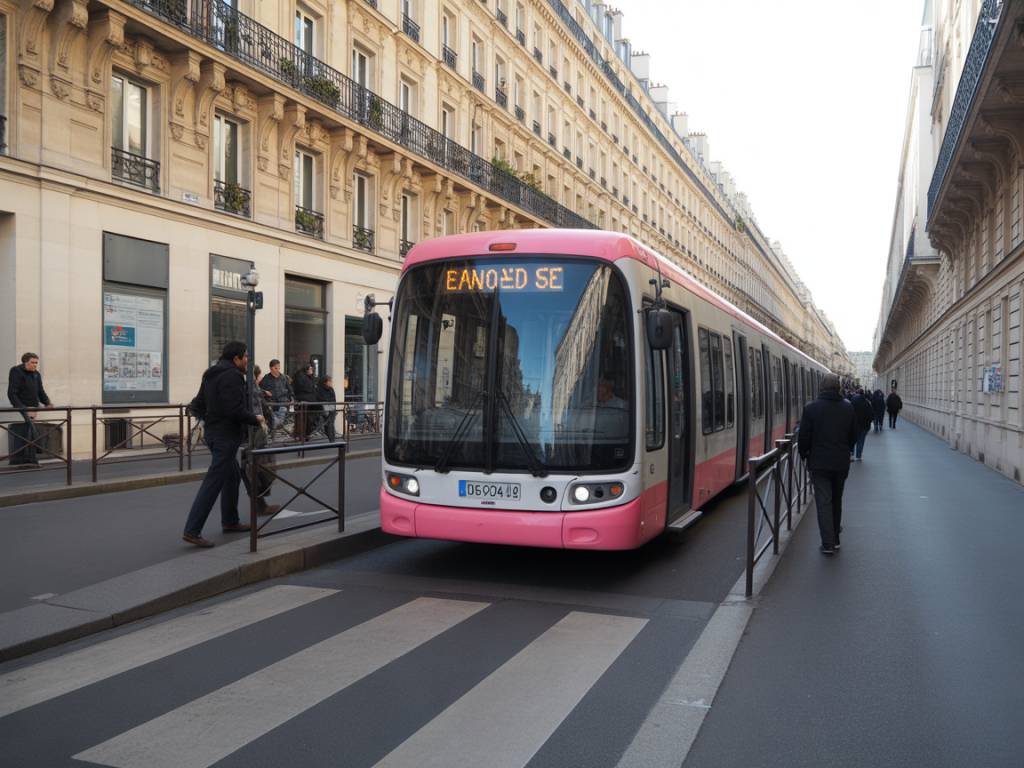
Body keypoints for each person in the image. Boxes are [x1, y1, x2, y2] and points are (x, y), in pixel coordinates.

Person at [182, 341, 263, 548]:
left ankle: (230, 521)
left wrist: (207, 420)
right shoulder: (233, 376)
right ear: (236, 358)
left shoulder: (211, 373)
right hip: (225, 435)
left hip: (213, 433)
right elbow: (233, 409)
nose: (247, 360)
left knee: (232, 475)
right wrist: (255, 419)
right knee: (214, 481)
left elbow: (198, 403)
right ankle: (192, 530)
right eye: (245, 356)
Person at [798, 372, 857, 555]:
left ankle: (828, 543)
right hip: (840, 463)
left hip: (819, 463)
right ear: (839, 388)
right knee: (837, 500)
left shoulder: (811, 408)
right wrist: (846, 449)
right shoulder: (848, 408)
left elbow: (804, 437)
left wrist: (804, 454)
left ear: (821, 387)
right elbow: (853, 436)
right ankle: (836, 539)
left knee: (824, 502)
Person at [7, 352, 51, 467]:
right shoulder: (16, 371)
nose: (35, 365)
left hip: (33, 408)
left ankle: (30, 459)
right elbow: (12, 393)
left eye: (36, 363)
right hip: (21, 407)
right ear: (25, 362)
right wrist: (22, 408)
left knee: (29, 433)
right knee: (23, 433)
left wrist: (47, 402)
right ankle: (20, 460)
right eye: (32, 362)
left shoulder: (36, 374)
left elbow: (40, 391)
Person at [259, 359, 292, 430]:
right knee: (274, 425)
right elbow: (259, 389)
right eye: (276, 368)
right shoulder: (266, 378)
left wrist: (290, 400)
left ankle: (274, 430)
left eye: (279, 368)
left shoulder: (284, 378)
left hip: (282, 404)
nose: (278, 370)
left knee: (278, 424)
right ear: (271, 368)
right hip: (271, 405)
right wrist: (265, 392)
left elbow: (290, 390)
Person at [292, 363, 318, 438]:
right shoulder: (301, 377)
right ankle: (303, 435)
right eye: (310, 369)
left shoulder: (309, 377)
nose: (312, 370)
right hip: (303, 400)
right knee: (304, 419)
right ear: (306, 369)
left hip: (309, 401)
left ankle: (305, 434)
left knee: (309, 418)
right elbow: (304, 389)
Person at [850, 388, 874, 461]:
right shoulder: (867, 403)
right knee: (861, 441)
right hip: (864, 426)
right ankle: (858, 456)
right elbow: (871, 415)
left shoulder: (852, 402)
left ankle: (851, 454)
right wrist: (869, 423)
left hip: (854, 425)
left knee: (852, 440)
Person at [317, 374, 338, 442]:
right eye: (329, 381)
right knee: (328, 424)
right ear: (325, 382)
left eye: (330, 381)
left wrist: (333, 407)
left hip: (331, 408)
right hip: (324, 408)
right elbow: (320, 398)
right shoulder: (320, 389)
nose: (330, 383)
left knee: (330, 423)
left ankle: (332, 440)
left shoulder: (331, 389)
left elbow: (334, 399)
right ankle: (331, 439)